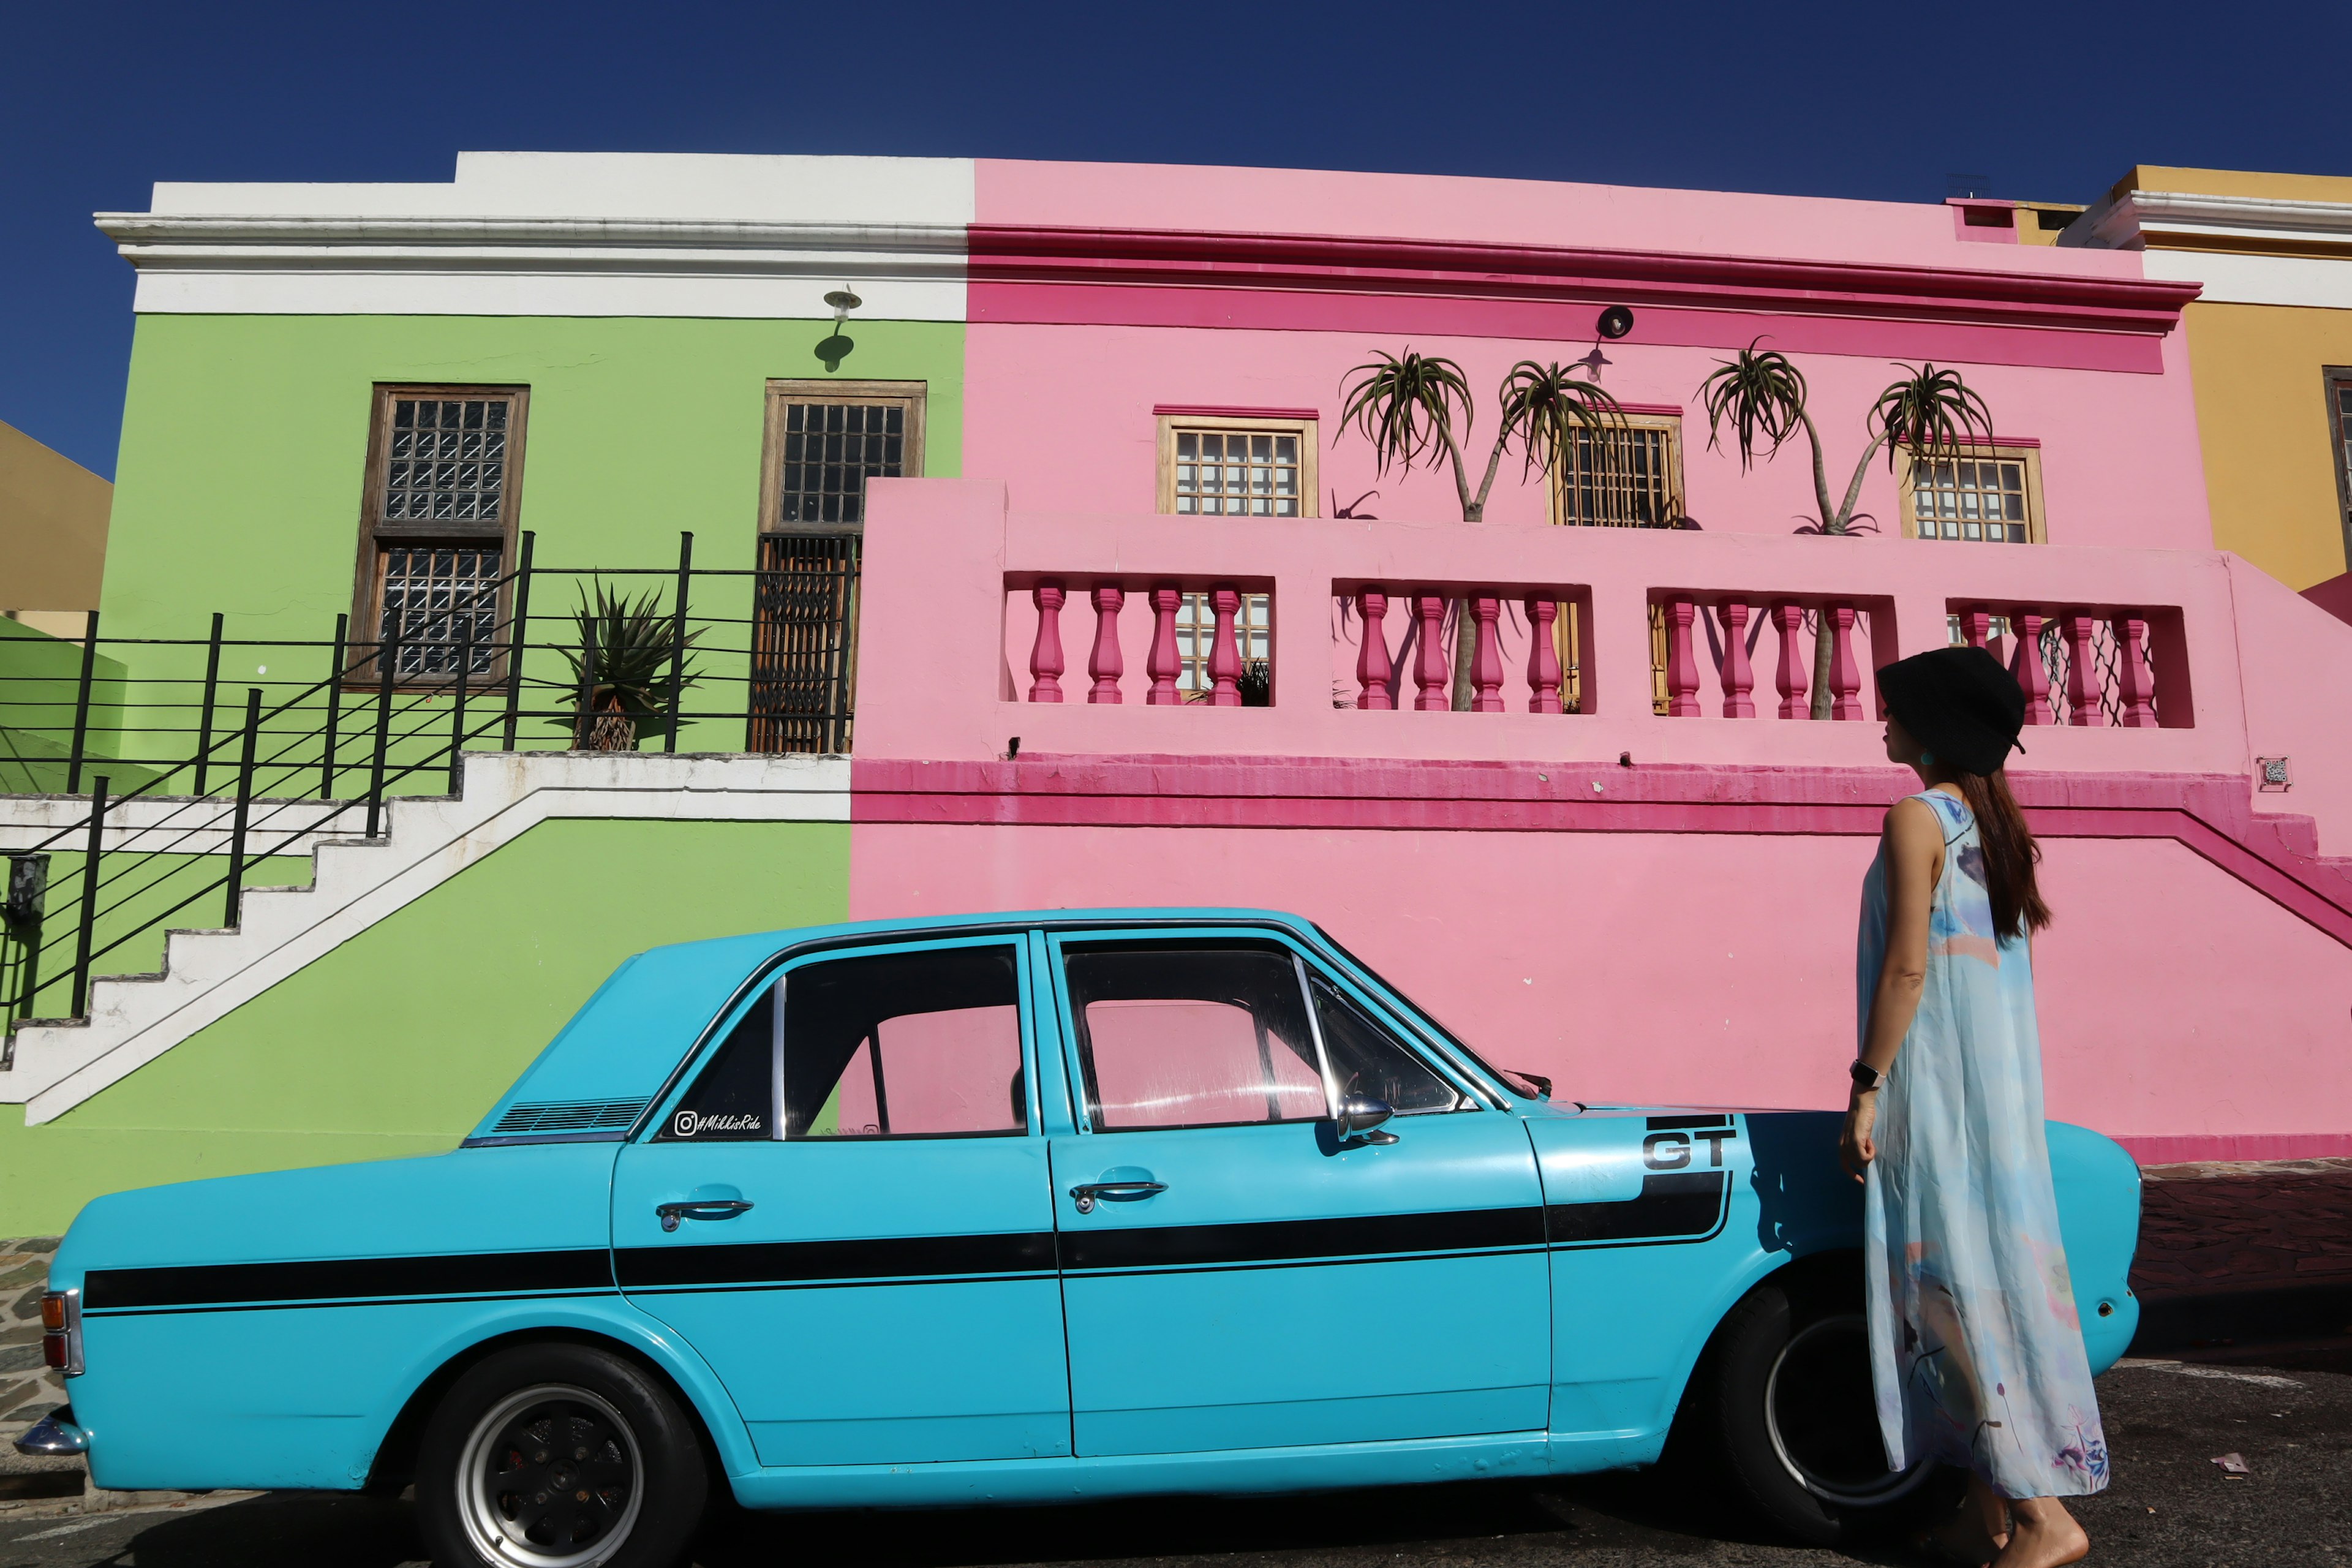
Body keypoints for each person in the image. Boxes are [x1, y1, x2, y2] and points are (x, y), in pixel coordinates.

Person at [1842, 646, 2106, 1568]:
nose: (1882, 724)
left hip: (1939, 1096)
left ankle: (2042, 1516)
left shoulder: (1916, 816)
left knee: (1951, 1296)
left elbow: (1908, 968)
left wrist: (1865, 1087)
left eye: (1893, 712)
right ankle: (1983, 1510)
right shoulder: (1990, 825)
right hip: (1996, 1101)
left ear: (1930, 729)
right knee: (1973, 1285)